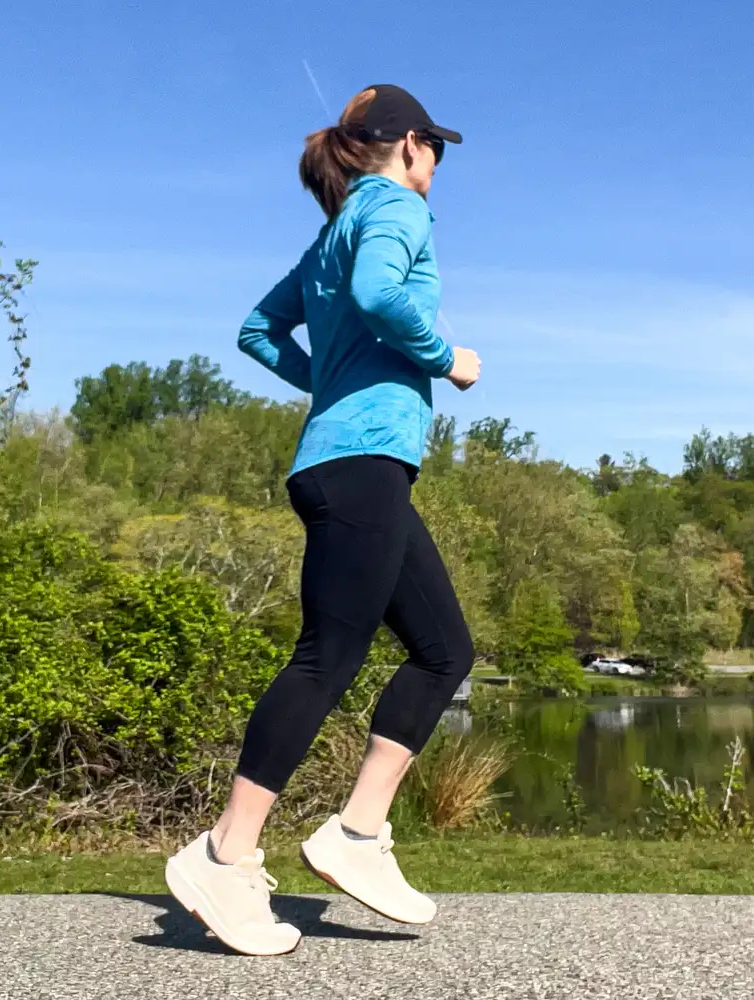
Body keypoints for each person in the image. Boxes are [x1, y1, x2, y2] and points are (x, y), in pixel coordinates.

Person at [163, 84, 481, 957]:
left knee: (446, 650)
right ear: (410, 145)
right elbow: (383, 296)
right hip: (360, 468)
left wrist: (328, 387)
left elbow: (258, 331)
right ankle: (225, 856)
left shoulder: (330, 233)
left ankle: (357, 833)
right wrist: (444, 358)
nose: (436, 167)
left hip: (350, 463)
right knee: (326, 659)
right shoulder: (393, 211)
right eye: (436, 149)